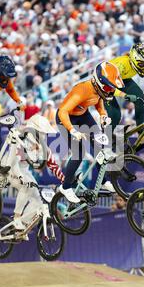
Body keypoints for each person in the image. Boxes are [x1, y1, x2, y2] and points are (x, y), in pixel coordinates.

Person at [56, 61, 122, 203]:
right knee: (78, 153)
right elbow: (63, 111)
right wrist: (72, 130)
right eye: (107, 88)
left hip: (82, 114)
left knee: (100, 144)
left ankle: (103, 180)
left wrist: (103, 115)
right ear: (98, 82)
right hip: (66, 118)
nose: (109, 91)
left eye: (111, 89)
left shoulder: (99, 89)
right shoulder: (82, 90)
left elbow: (98, 102)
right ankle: (65, 187)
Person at [107, 43, 144, 129]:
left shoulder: (140, 64)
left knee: (141, 100)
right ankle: (106, 137)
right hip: (105, 85)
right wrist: (124, 95)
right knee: (115, 115)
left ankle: (140, 129)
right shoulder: (121, 65)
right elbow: (108, 87)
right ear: (135, 58)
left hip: (122, 79)